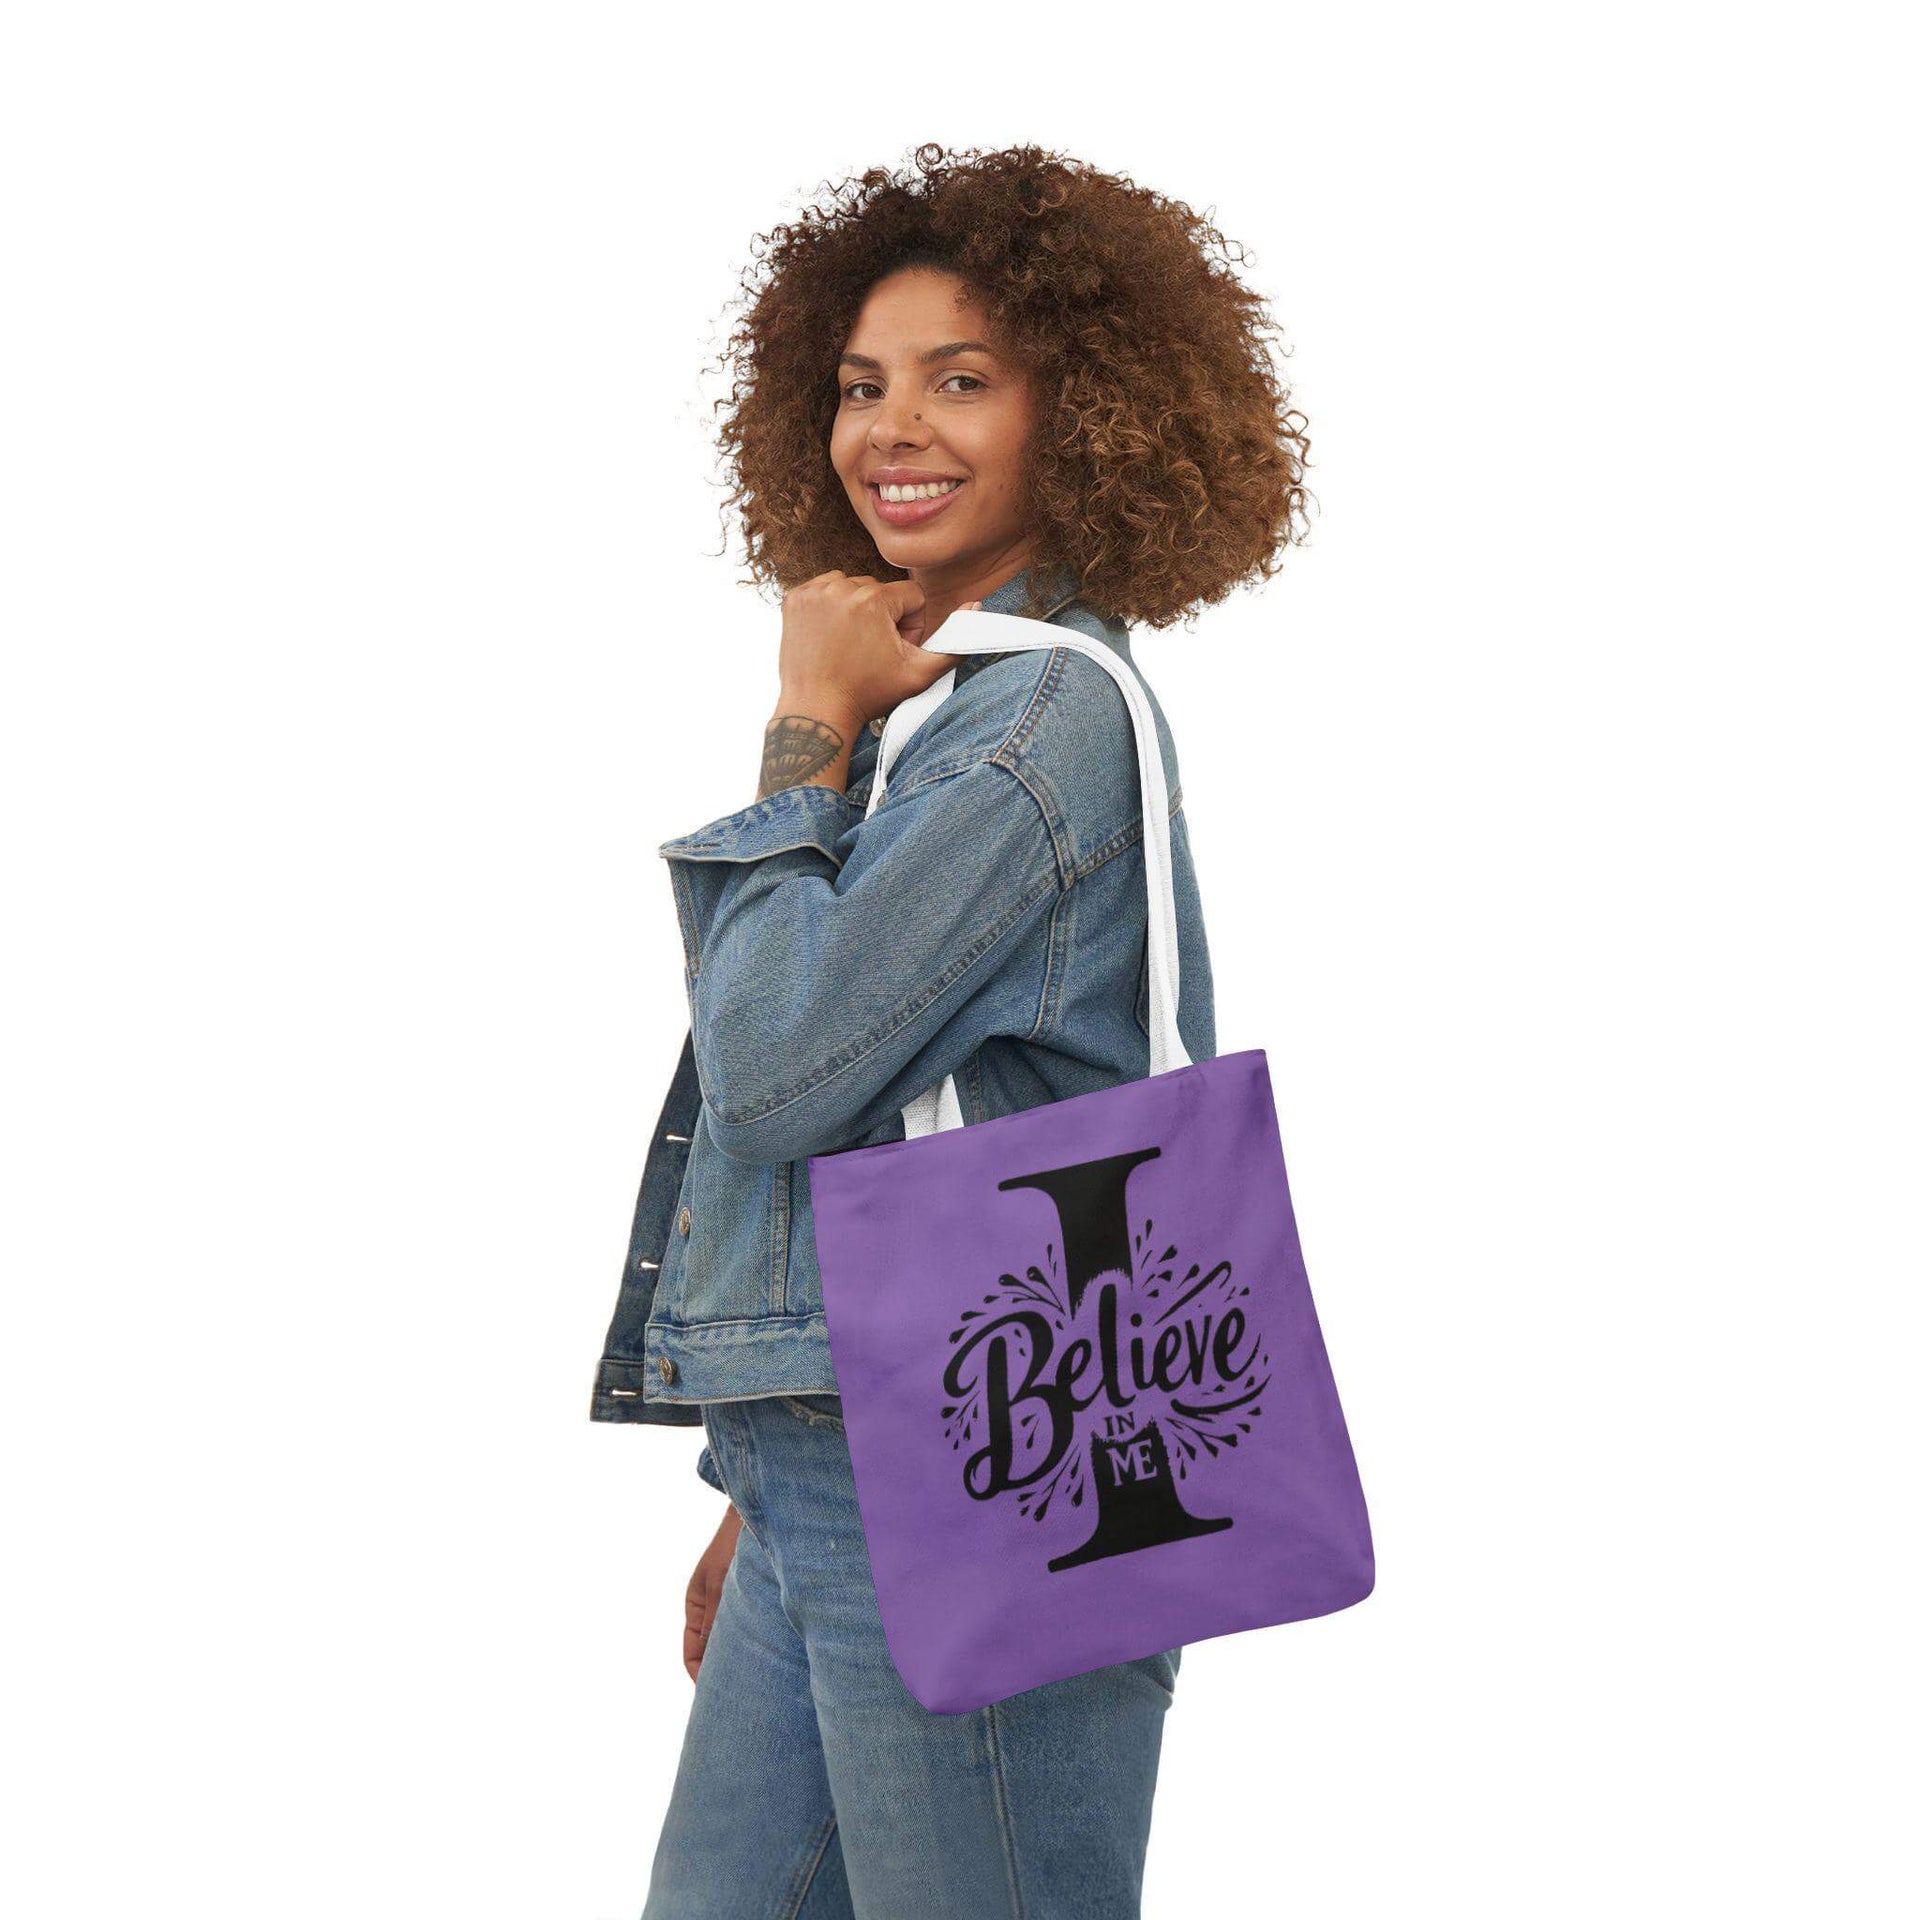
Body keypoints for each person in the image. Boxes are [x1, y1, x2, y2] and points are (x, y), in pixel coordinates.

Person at [589, 142, 1311, 1918]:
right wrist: (763, 1475)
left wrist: (803, 731)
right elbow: (876, 1135)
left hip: (988, 1465)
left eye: (961, 380)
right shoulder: (953, 706)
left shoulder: (1032, 725)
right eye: (859, 387)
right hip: (844, 1448)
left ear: (1092, 414)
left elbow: (780, 1075)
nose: (890, 431)